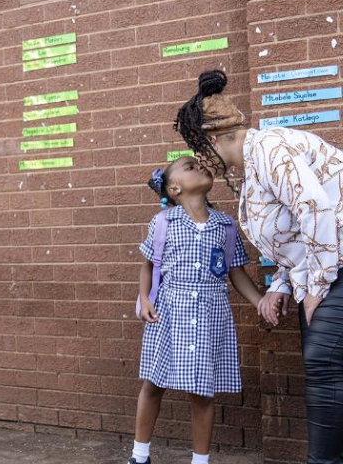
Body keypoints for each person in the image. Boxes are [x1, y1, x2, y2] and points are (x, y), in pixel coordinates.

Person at [174, 69, 343, 463]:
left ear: (213, 140)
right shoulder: (252, 175)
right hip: (326, 268)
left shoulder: (269, 149)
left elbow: (316, 211)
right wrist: (282, 287)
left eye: (199, 150)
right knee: (325, 367)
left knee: (322, 361)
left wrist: (316, 288)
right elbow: (294, 239)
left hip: (335, 267)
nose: (200, 160)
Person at [128, 156, 262, 464]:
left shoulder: (226, 226)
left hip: (209, 317)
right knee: (153, 383)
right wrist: (145, 298)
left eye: (200, 164)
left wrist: (259, 301)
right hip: (168, 314)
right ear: (175, 188)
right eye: (190, 166)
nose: (200, 166)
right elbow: (150, 264)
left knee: (202, 392)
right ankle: (139, 455)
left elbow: (236, 272)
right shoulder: (163, 222)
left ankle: (200, 460)